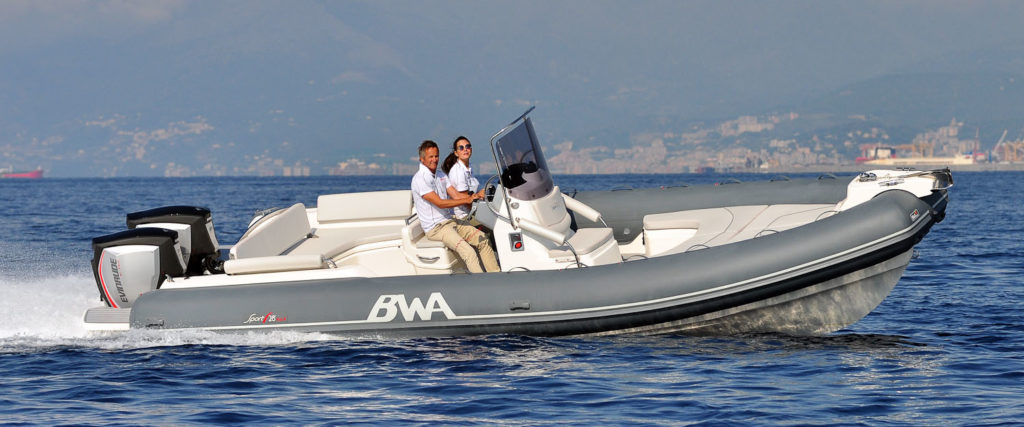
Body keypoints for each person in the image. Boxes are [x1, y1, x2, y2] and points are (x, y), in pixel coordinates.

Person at [411, 140, 500, 273]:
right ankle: (482, 284)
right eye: (431, 157)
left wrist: (475, 196)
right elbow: (440, 203)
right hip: (436, 229)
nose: (435, 159)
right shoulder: (420, 179)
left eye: (436, 156)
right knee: (469, 252)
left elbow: (456, 195)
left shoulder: (440, 175)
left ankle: (496, 277)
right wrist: (468, 199)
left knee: (483, 240)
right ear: (422, 159)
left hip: (450, 221)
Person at [441, 136, 482, 221]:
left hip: (471, 212)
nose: (465, 149)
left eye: (467, 146)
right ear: (456, 153)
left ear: (471, 149)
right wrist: (482, 214)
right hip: (463, 216)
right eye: (461, 148)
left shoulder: (468, 167)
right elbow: (465, 200)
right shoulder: (458, 171)